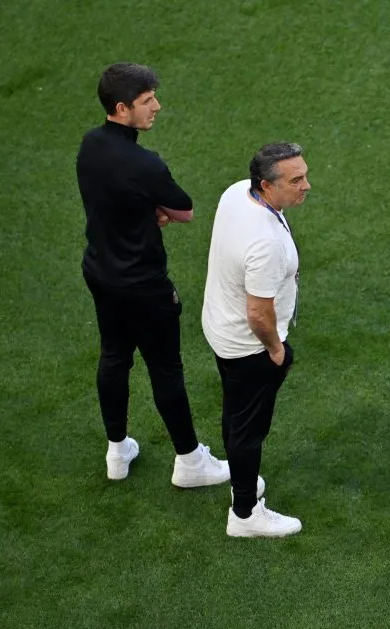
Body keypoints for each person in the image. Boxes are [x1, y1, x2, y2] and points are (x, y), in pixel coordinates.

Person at [77, 62, 228, 488]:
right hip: (144, 286)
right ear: (121, 108)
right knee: (165, 370)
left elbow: (112, 198)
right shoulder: (145, 164)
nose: (156, 106)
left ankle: (117, 451)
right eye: (146, 101)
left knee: (114, 357)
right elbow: (185, 210)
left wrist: (146, 209)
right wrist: (157, 209)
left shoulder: (90, 145)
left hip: (101, 273)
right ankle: (190, 461)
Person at [202, 143, 310, 537]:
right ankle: (245, 514)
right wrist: (276, 350)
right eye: (295, 180)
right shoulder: (266, 243)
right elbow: (258, 313)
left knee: (235, 413)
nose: (306, 185)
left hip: (220, 328)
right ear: (266, 185)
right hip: (249, 346)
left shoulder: (237, 193)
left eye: (304, 175)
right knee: (249, 428)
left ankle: (241, 482)